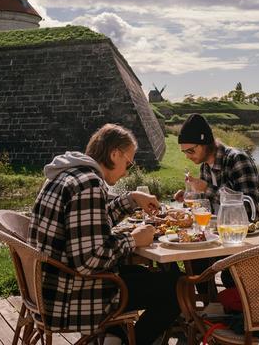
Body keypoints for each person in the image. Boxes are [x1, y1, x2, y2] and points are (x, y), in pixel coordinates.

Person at [28, 124, 180, 345]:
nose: (127, 171)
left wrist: (132, 199)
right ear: (115, 154)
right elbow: (90, 260)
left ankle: (113, 336)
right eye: (128, 163)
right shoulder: (89, 184)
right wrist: (133, 239)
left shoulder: (68, 174)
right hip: (71, 297)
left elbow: (90, 222)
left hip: (48, 290)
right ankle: (128, 340)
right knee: (176, 288)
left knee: (142, 275)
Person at [173, 113, 259, 206]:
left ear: (205, 143)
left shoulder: (238, 159)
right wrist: (190, 196)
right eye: (184, 152)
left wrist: (206, 188)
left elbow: (249, 206)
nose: (187, 156)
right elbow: (209, 202)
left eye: (190, 151)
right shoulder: (205, 167)